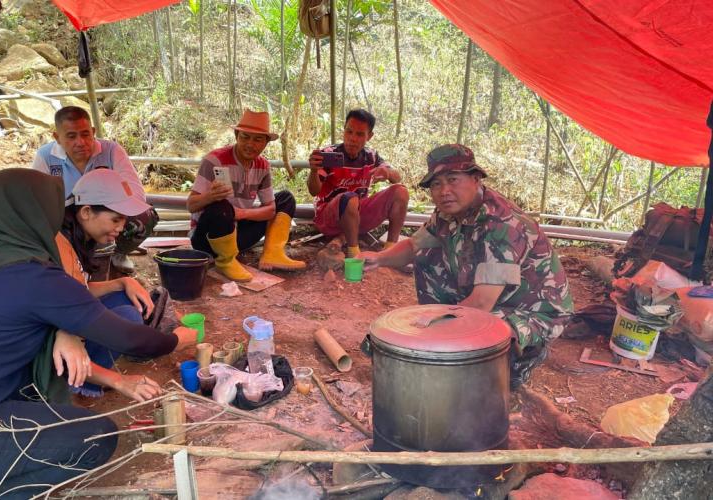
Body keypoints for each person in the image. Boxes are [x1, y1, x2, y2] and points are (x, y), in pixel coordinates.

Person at [0, 169, 187, 499]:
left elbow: (35, 307)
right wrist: (177, 339)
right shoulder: (31, 275)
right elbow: (131, 340)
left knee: (37, 385)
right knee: (97, 437)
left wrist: (61, 329)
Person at [361, 144, 574, 385]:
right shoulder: (448, 212)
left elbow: (481, 304)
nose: (444, 191)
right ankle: (450, 343)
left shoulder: (501, 225)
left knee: (485, 359)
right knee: (427, 255)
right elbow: (413, 246)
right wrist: (377, 259)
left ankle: (523, 356)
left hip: (533, 311)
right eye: (436, 184)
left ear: (475, 179)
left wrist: (428, 330)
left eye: (453, 179)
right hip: (496, 297)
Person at [56, 168, 183, 400]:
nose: (122, 228)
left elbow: (79, 291)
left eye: (123, 220)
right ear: (86, 211)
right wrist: (174, 342)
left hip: (66, 318)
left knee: (129, 302)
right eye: (116, 219)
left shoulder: (77, 235)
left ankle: (86, 370)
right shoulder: (59, 244)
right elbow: (70, 309)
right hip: (55, 339)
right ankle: (79, 378)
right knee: (128, 318)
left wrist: (122, 282)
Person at [32, 106, 158, 274]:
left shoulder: (111, 151)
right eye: (71, 136)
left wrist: (109, 213)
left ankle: (118, 253)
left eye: (85, 134)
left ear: (93, 131)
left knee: (144, 216)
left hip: (104, 213)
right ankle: (69, 258)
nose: (80, 142)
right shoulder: (45, 156)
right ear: (57, 138)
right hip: (67, 221)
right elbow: (35, 201)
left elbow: (136, 193)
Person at [188, 109, 306, 282]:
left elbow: (271, 209)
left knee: (286, 198)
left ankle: (273, 253)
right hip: (207, 241)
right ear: (236, 135)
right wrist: (210, 196)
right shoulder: (214, 160)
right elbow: (191, 205)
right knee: (221, 207)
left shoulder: (262, 166)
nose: (250, 144)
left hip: (238, 236)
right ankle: (225, 261)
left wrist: (241, 214)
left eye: (257, 139)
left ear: (266, 143)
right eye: (245, 137)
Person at [307, 109, 409, 257]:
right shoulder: (329, 154)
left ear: (370, 136)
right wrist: (314, 171)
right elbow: (313, 191)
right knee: (350, 198)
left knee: (401, 191)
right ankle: (354, 252)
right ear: (344, 131)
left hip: (357, 218)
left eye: (360, 134)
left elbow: (397, 177)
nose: (352, 138)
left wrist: (387, 172)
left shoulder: (371, 156)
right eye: (349, 131)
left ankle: (390, 249)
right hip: (328, 219)